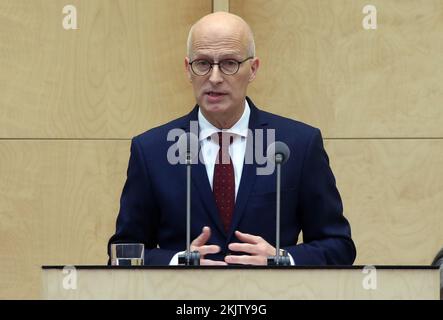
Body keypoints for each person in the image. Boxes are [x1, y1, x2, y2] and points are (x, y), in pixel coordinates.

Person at [108, 12, 356, 266]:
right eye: (203, 63)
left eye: (229, 63)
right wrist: (175, 262)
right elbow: (122, 253)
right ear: (188, 69)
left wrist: (281, 259)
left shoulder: (299, 144)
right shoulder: (152, 150)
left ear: (253, 69)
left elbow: (339, 246)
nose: (214, 78)